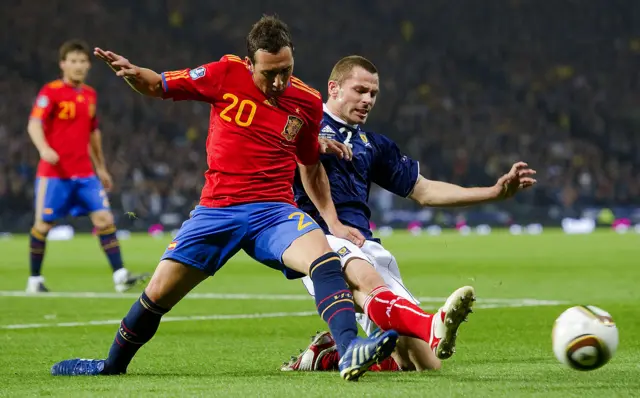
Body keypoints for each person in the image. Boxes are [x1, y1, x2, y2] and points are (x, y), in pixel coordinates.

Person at [50, 17, 398, 382]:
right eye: (269, 73)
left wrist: (333, 222)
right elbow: (157, 84)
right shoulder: (224, 73)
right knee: (155, 297)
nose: (279, 82)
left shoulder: (307, 102)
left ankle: (349, 349)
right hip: (217, 210)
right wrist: (135, 74)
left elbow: (310, 166)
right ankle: (111, 365)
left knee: (325, 261)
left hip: (274, 212)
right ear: (249, 64)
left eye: (286, 70)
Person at [281, 55, 537, 372]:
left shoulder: (373, 145)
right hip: (317, 238)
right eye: (360, 90)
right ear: (333, 88)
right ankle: (430, 324)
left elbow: (425, 191)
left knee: (423, 365)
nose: (367, 100)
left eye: (373, 94)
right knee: (366, 281)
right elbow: (269, 144)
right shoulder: (301, 123)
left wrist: (494, 192)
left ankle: (329, 355)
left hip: (364, 242)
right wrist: (308, 143)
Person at [26, 39, 148, 293]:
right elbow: (34, 124)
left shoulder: (89, 95)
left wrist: (101, 167)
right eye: (73, 61)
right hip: (55, 174)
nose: (79, 66)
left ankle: (120, 275)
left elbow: (93, 134)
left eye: (83, 61)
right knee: (43, 226)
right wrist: (44, 149)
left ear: (89, 66)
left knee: (104, 219)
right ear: (63, 64)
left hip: (84, 173)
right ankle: (34, 279)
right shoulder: (51, 92)